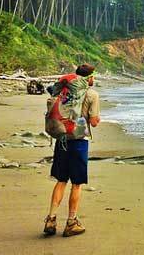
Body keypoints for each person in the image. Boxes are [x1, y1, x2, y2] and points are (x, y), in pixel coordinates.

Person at [43, 63, 101, 237]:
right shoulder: (92, 94)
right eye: (93, 76)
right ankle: (71, 222)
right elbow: (94, 122)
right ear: (89, 78)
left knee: (61, 181)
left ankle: (51, 219)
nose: (94, 79)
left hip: (61, 140)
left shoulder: (63, 92)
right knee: (76, 184)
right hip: (78, 142)